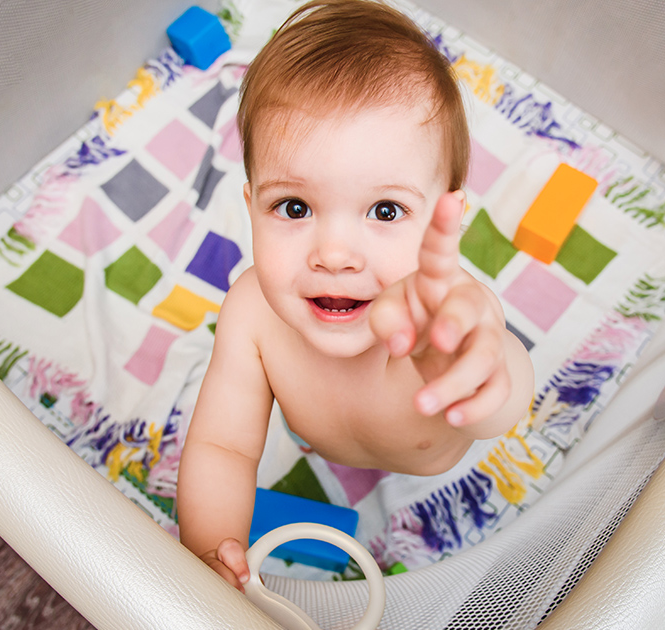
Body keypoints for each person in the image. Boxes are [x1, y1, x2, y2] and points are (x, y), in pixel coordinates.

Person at [176, 0, 534, 590]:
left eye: (385, 210)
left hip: (433, 470)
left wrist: (480, 368)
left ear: (447, 217)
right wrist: (210, 554)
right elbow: (222, 446)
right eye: (294, 207)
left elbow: (503, 410)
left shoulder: (446, 316)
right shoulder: (252, 314)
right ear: (251, 209)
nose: (335, 254)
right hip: (319, 446)